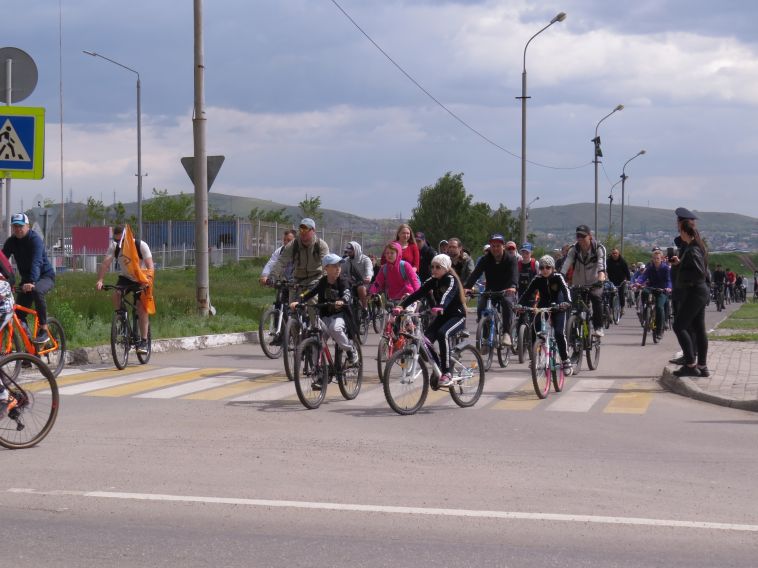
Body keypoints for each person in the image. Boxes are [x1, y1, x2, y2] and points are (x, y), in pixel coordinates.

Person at [396, 254, 466, 388]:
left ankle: (447, 373)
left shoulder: (451, 279)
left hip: (457, 316)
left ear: (446, 268)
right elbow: (418, 292)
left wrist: (441, 306)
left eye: (438, 267)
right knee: (425, 341)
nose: (434, 270)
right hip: (442, 316)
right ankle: (438, 367)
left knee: (442, 334)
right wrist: (402, 306)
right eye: (432, 267)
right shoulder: (433, 280)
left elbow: (448, 294)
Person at [290, 253, 359, 369]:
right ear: (326, 268)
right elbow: (309, 292)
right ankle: (317, 371)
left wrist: (341, 300)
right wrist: (298, 300)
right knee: (317, 340)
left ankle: (350, 350)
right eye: (334, 266)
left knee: (335, 328)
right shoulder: (322, 282)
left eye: (339, 266)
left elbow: (347, 293)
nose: (338, 268)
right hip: (324, 317)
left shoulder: (342, 281)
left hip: (340, 316)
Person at [96, 225, 155, 353]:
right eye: (116, 241)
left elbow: (150, 266)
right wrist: (100, 280)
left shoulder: (141, 245)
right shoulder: (115, 247)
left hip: (142, 278)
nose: (119, 244)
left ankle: (143, 342)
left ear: (128, 237)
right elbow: (106, 263)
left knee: (141, 307)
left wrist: (148, 281)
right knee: (116, 294)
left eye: (121, 241)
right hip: (126, 277)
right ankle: (122, 320)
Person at [2, 213, 56, 344]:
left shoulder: (35, 240)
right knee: (18, 314)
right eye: (15, 226)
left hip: (45, 276)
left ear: (28, 226)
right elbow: (2, 261)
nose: (18, 229)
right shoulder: (11, 242)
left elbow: (36, 262)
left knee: (37, 291)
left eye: (21, 226)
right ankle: (30, 349)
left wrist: (32, 281)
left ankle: (43, 330)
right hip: (27, 280)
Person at [669, 209, 709, 377]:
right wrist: (680, 264)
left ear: (685, 231)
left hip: (694, 291)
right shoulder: (697, 246)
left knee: (679, 325)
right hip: (699, 291)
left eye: (680, 230)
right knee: (699, 328)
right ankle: (702, 366)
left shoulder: (692, 249)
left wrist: (684, 277)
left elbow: (698, 272)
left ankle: (691, 365)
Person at [517, 255, 573, 371]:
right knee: (534, 327)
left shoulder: (558, 277)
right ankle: (535, 357)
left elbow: (565, 289)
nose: (545, 270)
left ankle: (565, 360)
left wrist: (567, 302)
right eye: (542, 268)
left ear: (552, 268)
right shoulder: (537, 278)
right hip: (544, 305)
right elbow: (527, 293)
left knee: (558, 333)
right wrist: (519, 304)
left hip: (559, 305)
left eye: (548, 267)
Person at [463, 234, 518, 346]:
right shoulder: (485, 259)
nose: (495, 248)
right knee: (481, 306)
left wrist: (513, 286)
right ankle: (485, 336)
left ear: (503, 246)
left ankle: (506, 333)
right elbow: (475, 274)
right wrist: (467, 287)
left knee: (507, 303)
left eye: (498, 246)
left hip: (507, 290)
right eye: (493, 246)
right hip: (491, 290)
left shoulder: (511, 259)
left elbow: (514, 274)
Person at [561, 224, 607, 337]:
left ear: (590, 236)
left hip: (595, 282)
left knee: (596, 299)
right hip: (579, 283)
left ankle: (598, 327)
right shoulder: (574, 249)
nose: (580, 239)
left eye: (583, 236)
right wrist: (560, 277)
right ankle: (575, 341)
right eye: (578, 236)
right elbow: (566, 264)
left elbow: (602, 266)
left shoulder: (599, 248)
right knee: (574, 309)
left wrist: (600, 279)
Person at [269, 218, 329, 299]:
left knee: (312, 301)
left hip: (315, 279)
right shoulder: (293, 244)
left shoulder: (321, 245)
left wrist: (324, 281)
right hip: (297, 279)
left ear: (313, 231)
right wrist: (273, 276)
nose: (303, 232)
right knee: (292, 306)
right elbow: (281, 261)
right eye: (301, 229)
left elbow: (326, 265)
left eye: (306, 229)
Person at [634, 248, 672, 340]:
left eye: (657, 258)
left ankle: (660, 330)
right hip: (651, 288)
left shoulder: (666, 268)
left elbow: (669, 280)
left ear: (662, 259)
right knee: (644, 292)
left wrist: (669, 288)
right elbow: (643, 277)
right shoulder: (650, 268)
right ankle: (645, 311)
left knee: (659, 307)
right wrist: (638, 282)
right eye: (654, 258)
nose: (656, 260)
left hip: (662, 290)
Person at [343, 241, 373, 312]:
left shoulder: (366, 259)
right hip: (351, 284)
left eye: (350, 252)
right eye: (347, 252)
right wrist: (346, 278)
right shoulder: (346, 261)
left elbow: (369, 270)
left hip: (365, 284)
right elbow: (341, 273)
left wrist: (368, 277)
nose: (348, 254)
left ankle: (365, 309)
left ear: (356, 251)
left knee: (361, 288)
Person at [606, 247, 631, 316]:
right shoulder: (608, 261)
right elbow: (604, 270)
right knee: (611, 295)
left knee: (621, 294)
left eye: (616, 253)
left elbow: (627, 271)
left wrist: (628, 280)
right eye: (613, 253)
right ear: (611, 254)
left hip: (621, 281)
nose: (614, 254)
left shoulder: (622, 261)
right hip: (611, 281)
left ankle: (622, 308)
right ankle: (610, 309)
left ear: (618, 253)